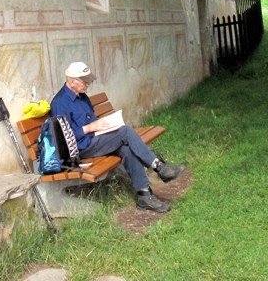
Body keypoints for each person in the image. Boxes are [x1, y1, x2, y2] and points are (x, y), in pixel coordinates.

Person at [50, 62, 186, 213]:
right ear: (72, 81)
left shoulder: (82, 96)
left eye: (88, 80)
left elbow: (92, 119)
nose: (88, 84)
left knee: (126, 148)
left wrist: (104, 125)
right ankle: (159, 167)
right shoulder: (59, 103)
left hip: (95, 139)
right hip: (82, 148)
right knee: (125, 131)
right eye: (85, 81)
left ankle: (144, 195)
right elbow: (65, 138)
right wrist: (90, 128)